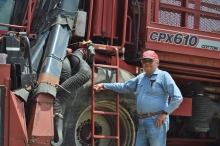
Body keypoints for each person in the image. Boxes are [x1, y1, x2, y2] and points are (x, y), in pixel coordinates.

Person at [94, 50, 183, 146]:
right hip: (143, 120)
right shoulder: (141, 77)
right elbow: (124, 87)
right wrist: (104, 85)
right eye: (144, 61)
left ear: (157, 62)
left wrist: (164, 114)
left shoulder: (164, 76)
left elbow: (178, 97)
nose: (147, 63)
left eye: (150, 60)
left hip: (156, 120)